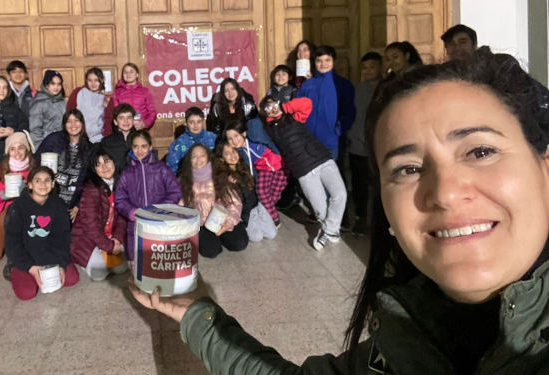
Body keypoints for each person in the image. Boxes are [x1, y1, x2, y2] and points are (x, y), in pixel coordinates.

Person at [131, 47, 549, 375]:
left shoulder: (281, 122)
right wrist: (202, 317)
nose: (445, 193)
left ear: (544, 166)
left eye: (480, 151)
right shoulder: (402, 341)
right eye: (408, 168)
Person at [262, 96, 347, 250]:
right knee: (320, 209)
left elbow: (307, 103)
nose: (272, 108)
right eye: (268, 108)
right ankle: (331, 231)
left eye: (274, 104)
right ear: (264, 112)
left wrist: (285, 108)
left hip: (322, 159)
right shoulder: (268, 129)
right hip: (303, 170)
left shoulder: (294, 117)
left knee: (340, 194)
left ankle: (327, 231)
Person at [4, 166, 79, 300]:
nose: (43, 184)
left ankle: (41, 275)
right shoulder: (18, 206)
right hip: (27, 255)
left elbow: (63, 237)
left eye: (47, 180)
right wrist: (30, 267)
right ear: (30, 185)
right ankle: (14, 270)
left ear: (53, 184)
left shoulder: (58, 204)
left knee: (72, 279)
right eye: (37, 181)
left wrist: (60, 264)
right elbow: (12, 242)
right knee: (27, 293)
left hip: (50, 254)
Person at [115, 130, 182, 262]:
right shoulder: (127, 173)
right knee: (138, 264)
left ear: (150, 147)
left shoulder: (161, 169)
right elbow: (120, 199)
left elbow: (175, 191)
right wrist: (131, 212)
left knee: (159, 261)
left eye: (144, 146)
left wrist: (159, 209)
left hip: (160, 222)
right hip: (136, 224)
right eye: (135, 146)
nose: (139, 150)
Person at [0, 131, 36, 267]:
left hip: (24, 215)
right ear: (8, 151)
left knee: (13, 212)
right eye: (12, 149)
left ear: (27, 148)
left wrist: (28, 191)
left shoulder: (34, 170)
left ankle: (14, 255)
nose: (17, 152)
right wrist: (1, 196)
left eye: (21, 147)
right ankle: (5, 241)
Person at [178, 144, 247, 258]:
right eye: (194, 156)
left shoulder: (219, 174)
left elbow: (234, 202)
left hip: (223, 220)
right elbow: (181, 208)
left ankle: (222, 237)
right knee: (211, 251)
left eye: (202, 155)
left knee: (240, 243)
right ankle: (212, 240)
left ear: (208, 157)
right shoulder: (184, 180)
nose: (198, 159)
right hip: (202, 225)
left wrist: (228, 222)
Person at [70, 148, 128, 281]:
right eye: (98, 164)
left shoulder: (120, 184)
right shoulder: (91, 190)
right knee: (99, 274)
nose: (104, 166)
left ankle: (105, 254)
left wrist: (117, 240)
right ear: (94, 169)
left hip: (110, 236)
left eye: (107, 161)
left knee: (121, 268)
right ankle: (85, 260)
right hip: (88, 240)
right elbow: (91, 228)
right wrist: (109, 246)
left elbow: (122, 218)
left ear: (114, 162)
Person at [297, 45, 356, 160]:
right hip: (308, 142)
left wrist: (338, 130)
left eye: (327, 60)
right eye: (319, 61)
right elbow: (298, 109)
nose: (323, 64)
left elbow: (349, 111)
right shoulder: (307, 85)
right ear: (314, 62)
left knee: (330, 175)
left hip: (331, 142)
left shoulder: (342, 84)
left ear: (333, 61)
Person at [346, 52, 383, 235]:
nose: (368, 71)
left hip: (380, 146)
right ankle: (361, 217)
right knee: (359, 185)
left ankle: (380, 221)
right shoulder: (355, 89)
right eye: (365, 68)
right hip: (357, 145)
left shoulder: (387, 88)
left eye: (372, 67)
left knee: (380, 185)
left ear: (381, 67)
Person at [224, 120, 286, 227]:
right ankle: (274, 218)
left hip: (280, 166)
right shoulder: (240, 152)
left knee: (274, 194)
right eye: (230, 138)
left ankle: (266, 215)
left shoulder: (254, 137)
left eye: (236, 135)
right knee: (262, 191)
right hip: (264, 170)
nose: (234, 140)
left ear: (243, 133)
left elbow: (256, 123)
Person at [34, 108, 92, 220]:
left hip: (70, 206)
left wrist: (78, 205)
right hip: (48, 199)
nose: (73, 124)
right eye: (69, 121)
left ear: (82, 123)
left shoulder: (89, 149)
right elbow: (36, 164)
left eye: (76, 120)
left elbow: (89, 182)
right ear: (64, 124)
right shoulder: (54, 139)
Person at [214, 142, 276, 242]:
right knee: (256, 237)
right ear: (222, 158)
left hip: (257, 206)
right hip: (244, 212)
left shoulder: (246, 165)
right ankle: (246, 224)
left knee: (272, 234)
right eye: (227, 153)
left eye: (234, 151)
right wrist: (227, 182)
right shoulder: (222, 175)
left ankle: (259, 220)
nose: (232, 155)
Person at [103, 62, 157, 135]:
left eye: (131, 71)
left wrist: (144, 124)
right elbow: (115, 113)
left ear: (137, 74)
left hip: (140, 130)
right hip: (123, 131)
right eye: (125, 72)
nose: (128, 74)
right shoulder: (117, 92)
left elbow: (152, 112)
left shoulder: (145, 91)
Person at [166, 107, 217, 173]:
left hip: (211, 175)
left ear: (203, 122)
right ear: (186, 123)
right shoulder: (180, 142)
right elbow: (171, 165)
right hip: (189, 177)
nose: (195, 125)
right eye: (191, 122)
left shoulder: (212, 137)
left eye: (199, 122)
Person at [67, 67, 111, 143]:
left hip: (97, 138)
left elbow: (108, 120)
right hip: (79, 136)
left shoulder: (105, 99)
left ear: (101, 80)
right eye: (90, 80)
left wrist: (106, 137)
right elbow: (69, 113)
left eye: (96, 80)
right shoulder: (79, 92)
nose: (93, 84)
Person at [29, 70, 66, 145]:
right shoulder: (39, 102)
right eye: (53, 84)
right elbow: (35, 129)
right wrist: (41, 147)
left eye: (59, 84)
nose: (56, 87)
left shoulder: (62, 102)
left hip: (62, 142)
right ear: (46, 85)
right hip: (46, 143)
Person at [101, 103, 136, 171]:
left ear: (133, 120)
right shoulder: (106, 142)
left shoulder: (140, 139)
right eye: (121, 118)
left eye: (129, 117)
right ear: (115, 122)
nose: (126, 121)